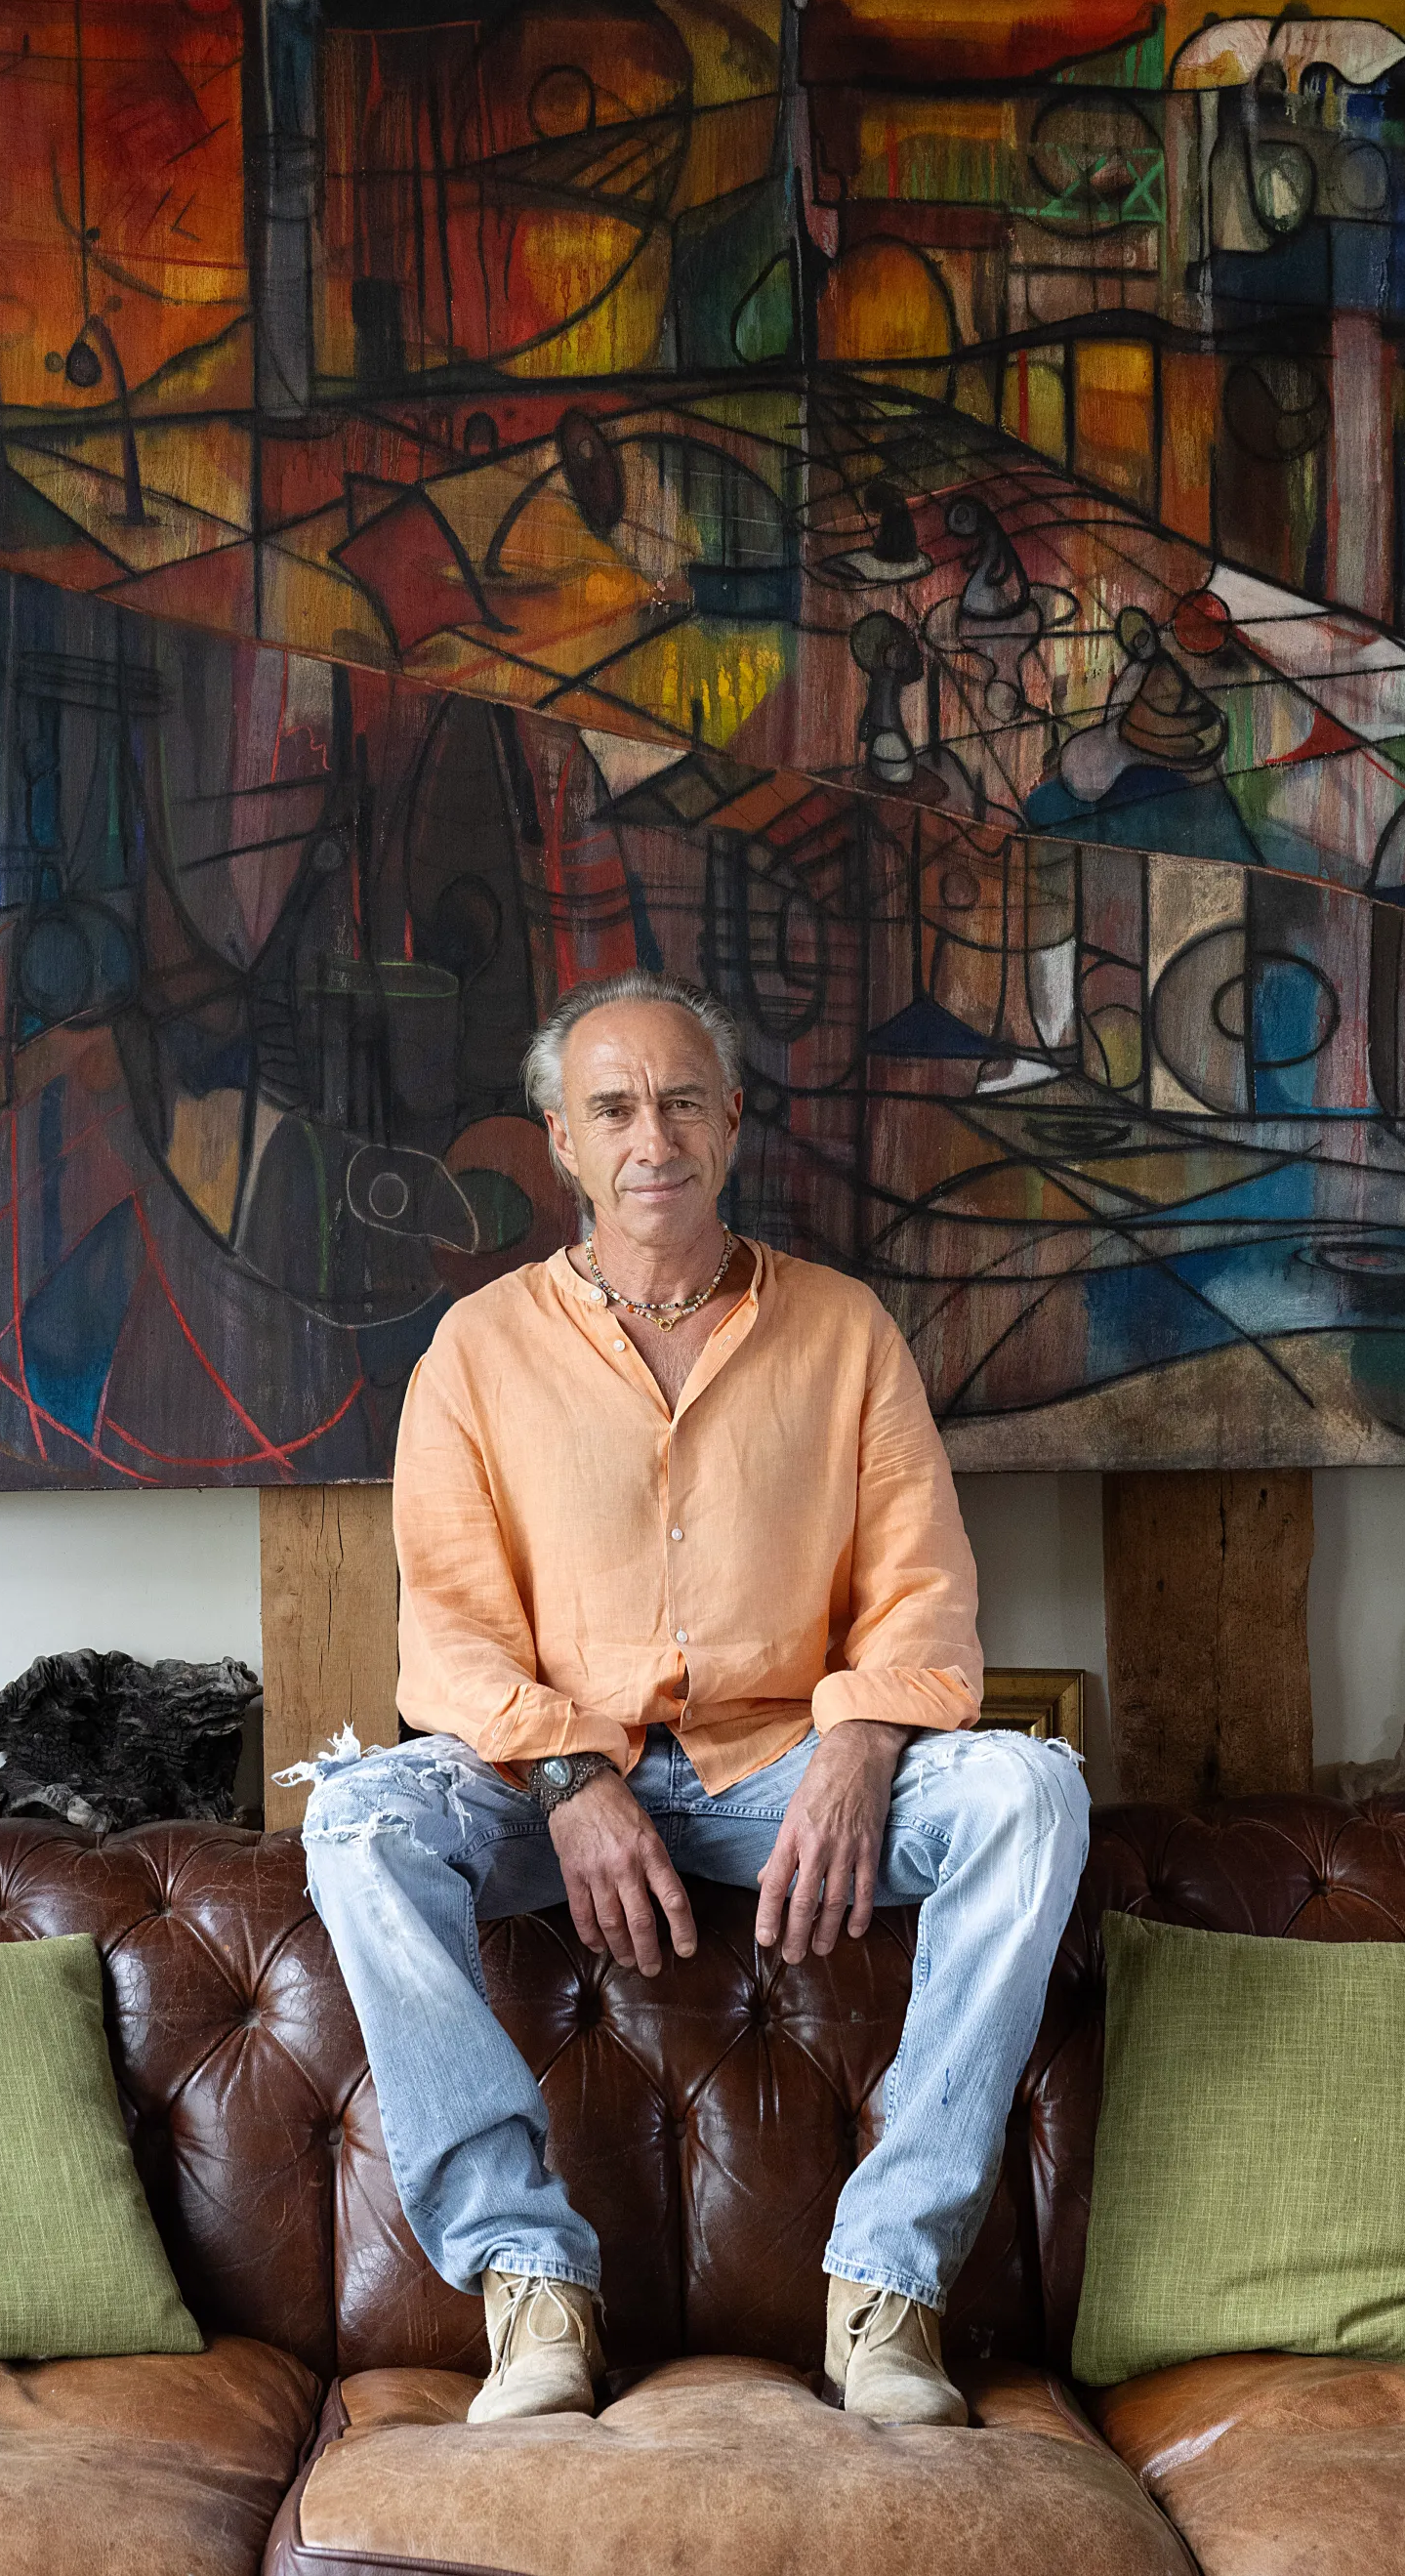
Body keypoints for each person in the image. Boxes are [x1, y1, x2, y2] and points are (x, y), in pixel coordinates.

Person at [300, 971, 1089, 2427]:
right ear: (563, 1141)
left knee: (1032, 1793)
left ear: (729, 1122)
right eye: (613, 1107)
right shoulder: (476, 1351)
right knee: (355, 1820)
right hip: (547, 1792)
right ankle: (531, 2283)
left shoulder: (846, 1331)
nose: (649, 1135)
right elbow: (455, 1639)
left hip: (785, 1770)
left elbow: (921, 1588)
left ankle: (888, 2285)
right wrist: (570, 1779)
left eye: (678, 1100)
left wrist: (861, 1743)